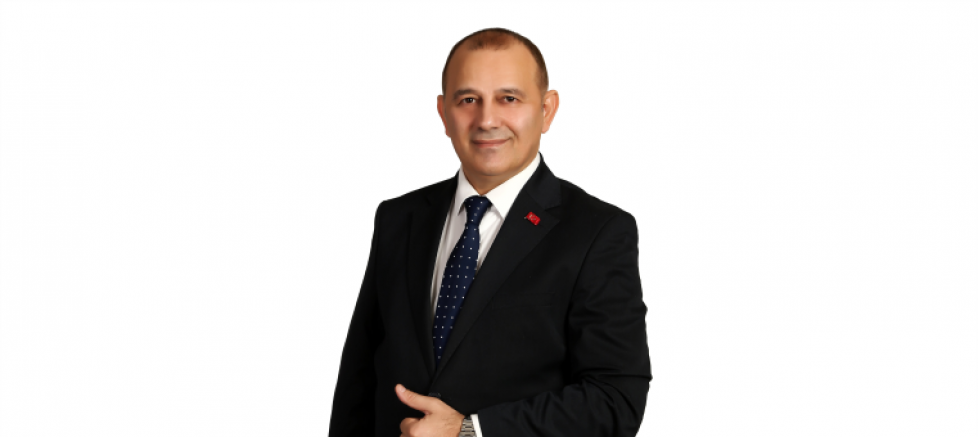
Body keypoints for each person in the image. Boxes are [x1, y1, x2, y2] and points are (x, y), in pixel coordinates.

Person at [328, 27, 651, 437]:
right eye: (468, 100)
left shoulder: (597, 232)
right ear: (444, 113)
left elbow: (615, 399)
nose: (486, 120)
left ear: (547, 110)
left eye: (508, 98)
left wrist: (469, 430)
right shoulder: (398, 218)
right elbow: (359, 381)